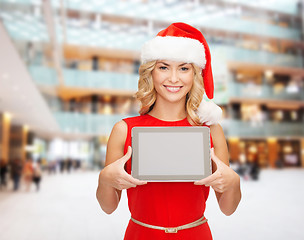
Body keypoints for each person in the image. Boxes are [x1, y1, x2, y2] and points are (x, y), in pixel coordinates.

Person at [96, 22, 241, 239]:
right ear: (150, 72)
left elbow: (228, 208)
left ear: (195, 75)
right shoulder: (124, 130)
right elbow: (108, 207)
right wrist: (105, 178)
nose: (174, 78)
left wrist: (233, 182)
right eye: (163, 67)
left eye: (184, 68)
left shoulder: (211, 130)